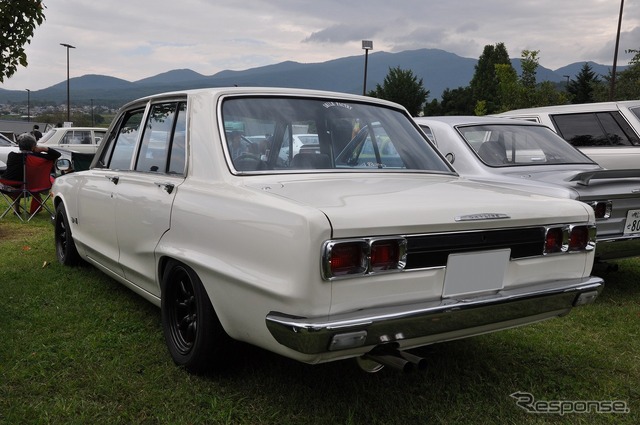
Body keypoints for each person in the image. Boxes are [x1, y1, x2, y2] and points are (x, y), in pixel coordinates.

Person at [2, 133, 61, 214]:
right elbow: (57, 154)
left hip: (9, 188)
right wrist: (44, 148)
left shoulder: (12, 155)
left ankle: (16, 209)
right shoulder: (38, 156)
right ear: (33, 146)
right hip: (34, 187)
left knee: (18, 180)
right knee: (46, 178)